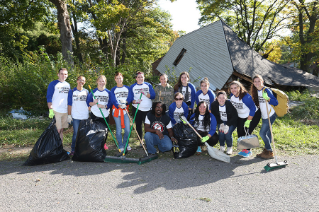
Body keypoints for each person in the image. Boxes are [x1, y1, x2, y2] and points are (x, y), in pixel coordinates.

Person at [229, 81, 261, 157]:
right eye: (231, 88)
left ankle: (248, 151)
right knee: (240, 132)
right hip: (241, 115)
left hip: (253, 114)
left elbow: (253, 109)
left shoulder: (246, 97)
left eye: (235, 88)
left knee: (247, 131)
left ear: (239, 88)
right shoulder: (232, 96)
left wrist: (248, 121)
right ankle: (244, 149)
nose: (233, 90)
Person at [251, 75, 278, 159]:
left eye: (259, 81)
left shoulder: (266, 90)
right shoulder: (257, 91)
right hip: (264, 115)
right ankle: (267, 151)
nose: (257, 83)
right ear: (253, 83)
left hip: (270, 114)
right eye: (255, 81)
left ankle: (269, 150)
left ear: (262, 81)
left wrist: (268, 99)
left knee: (262, 133)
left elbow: (276, 102)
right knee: (267, 133)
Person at [129, 71, 155, 140]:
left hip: (148, 109)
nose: (140, 78)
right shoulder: (132, 86)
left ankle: (149, 139)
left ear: (144, 78)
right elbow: (130, 99)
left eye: (142, 77)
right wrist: (135, 101)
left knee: (148, 125)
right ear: (136, 78)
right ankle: (140, 140)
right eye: (138, 77)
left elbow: (153, 96)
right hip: (137, 108)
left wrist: (145, 93)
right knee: (138, 124)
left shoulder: (148, 85)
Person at [110, 72, 133, 152]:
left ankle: (126, 143)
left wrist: (126, 103)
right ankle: (120, 145)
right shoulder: (113, 89)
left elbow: (130, 97)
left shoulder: (127, 88)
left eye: (120, 78)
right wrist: (118, 105)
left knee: (127, 129)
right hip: (116, 111)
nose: (119, 79)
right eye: (117, 78)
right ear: (115, 79)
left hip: (125, 110)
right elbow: (112, 99)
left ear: (122, 78)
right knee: (119, 129)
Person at [46, 68, 70, 143]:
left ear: (67, 75)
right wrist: (50, 108)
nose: (63, 75)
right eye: (62, 74)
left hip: (65, 110)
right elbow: (49, 96)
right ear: (58, 74)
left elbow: (69, 98)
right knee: (58, 130)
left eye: (65, 74)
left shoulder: (67, 85)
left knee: (61, 130)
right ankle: (54, 148)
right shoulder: (53, 84)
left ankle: (60, 149)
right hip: (56, 110)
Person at [67, 76, 89, 156]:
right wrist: (69, 115)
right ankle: (73, 150)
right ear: (77, 81)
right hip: (75, 116)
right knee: (76, 133)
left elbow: (88, 104)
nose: (81, 82)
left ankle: (83, 150)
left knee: (84, 134)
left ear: (85, 82)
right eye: (80, 80)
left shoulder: (86, 91)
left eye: (83, 80)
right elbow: (69, 104)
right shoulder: (72, 91)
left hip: (84, 116)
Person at [211, 91, 238, 155]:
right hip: (221, 121)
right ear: (217, 98)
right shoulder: (214, 105)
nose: (221, 99)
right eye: (219, 98)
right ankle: (222, 146)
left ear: (226, 98)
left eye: (223, 98)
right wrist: (221, 123)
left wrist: (227, 125)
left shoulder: (229, 104)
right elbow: (215, 115)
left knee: (227, 133)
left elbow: (235, 116)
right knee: (221, 132)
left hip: (231, 121)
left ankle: (229, 147)